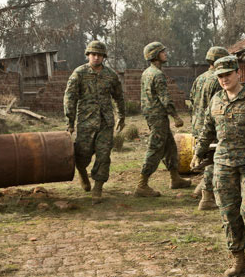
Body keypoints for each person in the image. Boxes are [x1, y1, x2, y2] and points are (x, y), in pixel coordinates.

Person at [194, 55, 245, 277]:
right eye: (220, 76)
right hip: (223, 163)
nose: (224, 79)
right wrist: (198, 152)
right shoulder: (216, 99)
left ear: (238, 73)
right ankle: (238, 259)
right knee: (228, 212)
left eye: (228, 74)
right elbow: (207, 129)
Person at [64, 40, 125, 203]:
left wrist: (121, 116)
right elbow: (70, 98)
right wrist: (70, 122)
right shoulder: (79, 73)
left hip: (106, 122)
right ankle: (82, 171)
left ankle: (98, 188)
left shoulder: (111, 75)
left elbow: (119, 96)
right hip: (86, 122)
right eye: (93, 54)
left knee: (104, 155)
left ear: (104, 57)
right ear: (88, 55)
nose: (96, 57)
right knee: (82, 154)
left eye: (99, 55)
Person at [136, 42, 190, 197]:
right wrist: (176, 116)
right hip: (158, 116)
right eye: (162, 52)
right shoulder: (157, 75)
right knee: (155, 149)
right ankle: (142, 185)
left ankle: (175, 178)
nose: (165, 54)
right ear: (155, 55)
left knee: (170, 147)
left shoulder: (146, 73)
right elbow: (165, 98)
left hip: (152, 115)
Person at [190, 46, 230, 210]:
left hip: (198, 125)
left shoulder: (200, 78)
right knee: (213, 160)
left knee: (207, 159)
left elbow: (191, 100)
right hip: (212, 125)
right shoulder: (219, 79)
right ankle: (206, 197)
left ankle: (200, 190)